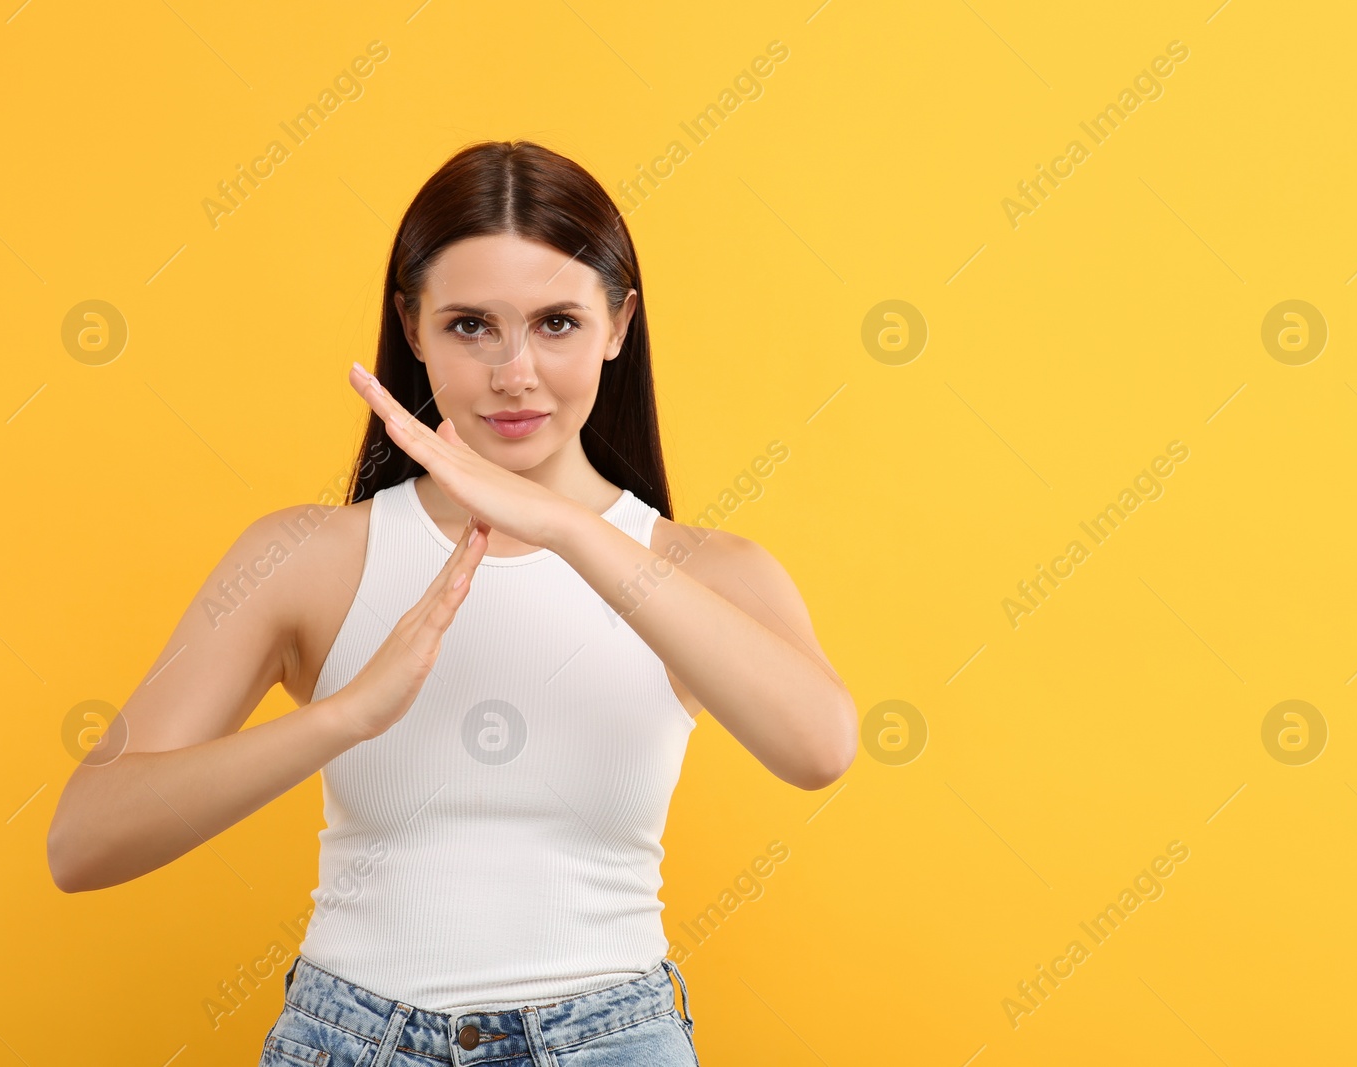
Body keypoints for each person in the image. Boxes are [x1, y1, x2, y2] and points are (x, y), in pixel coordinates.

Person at [47, 139, 857, 1065]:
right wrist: (345, 716)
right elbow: (84, 841)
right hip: (352, 1041)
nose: (515, 372)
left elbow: (820, 748)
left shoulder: (708, 572)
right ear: (412, 323)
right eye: (471, 325)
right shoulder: (306, 558)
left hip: (613, 1043)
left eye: (557, 323)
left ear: (619, 323)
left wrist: (569, 527)